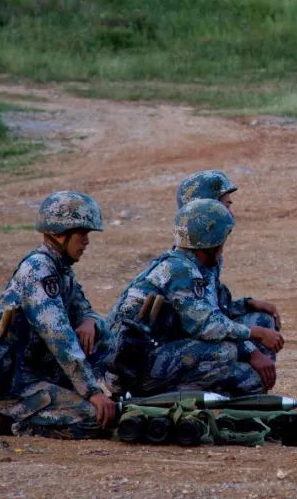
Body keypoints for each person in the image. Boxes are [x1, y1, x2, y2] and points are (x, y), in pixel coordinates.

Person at [0, 191, 117, 438]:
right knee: (94, 421)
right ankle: (6, 417)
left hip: (36, 371)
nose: (86, 241)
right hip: (14, 383)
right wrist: (92, 392)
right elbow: (59, 338)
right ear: (58, 233)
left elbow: (82, 307)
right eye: (82, 234)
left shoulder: (60, 268)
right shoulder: (38, 271)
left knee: (103, 333)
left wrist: (89, 320)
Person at [108, 199, 283, 396]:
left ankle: (212, 394)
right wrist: (255, 333)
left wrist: (248, 305)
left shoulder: (189, 265)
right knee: (225, 351)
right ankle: (163, 398)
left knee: (252, 381)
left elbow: (214, 311)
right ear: (212, 241)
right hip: (131, 369)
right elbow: (207, 326)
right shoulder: (179, 270)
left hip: (151, 356)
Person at [176, 170, 281, 368]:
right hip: (170, 347)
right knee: (239, 351)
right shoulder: (185, 265)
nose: (230, 213)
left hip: (189, 339)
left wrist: (247, 304)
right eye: (226, 206)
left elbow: (213, 307)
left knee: (262, 319)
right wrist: (252, 346)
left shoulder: (205, 255)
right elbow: (205, 324)